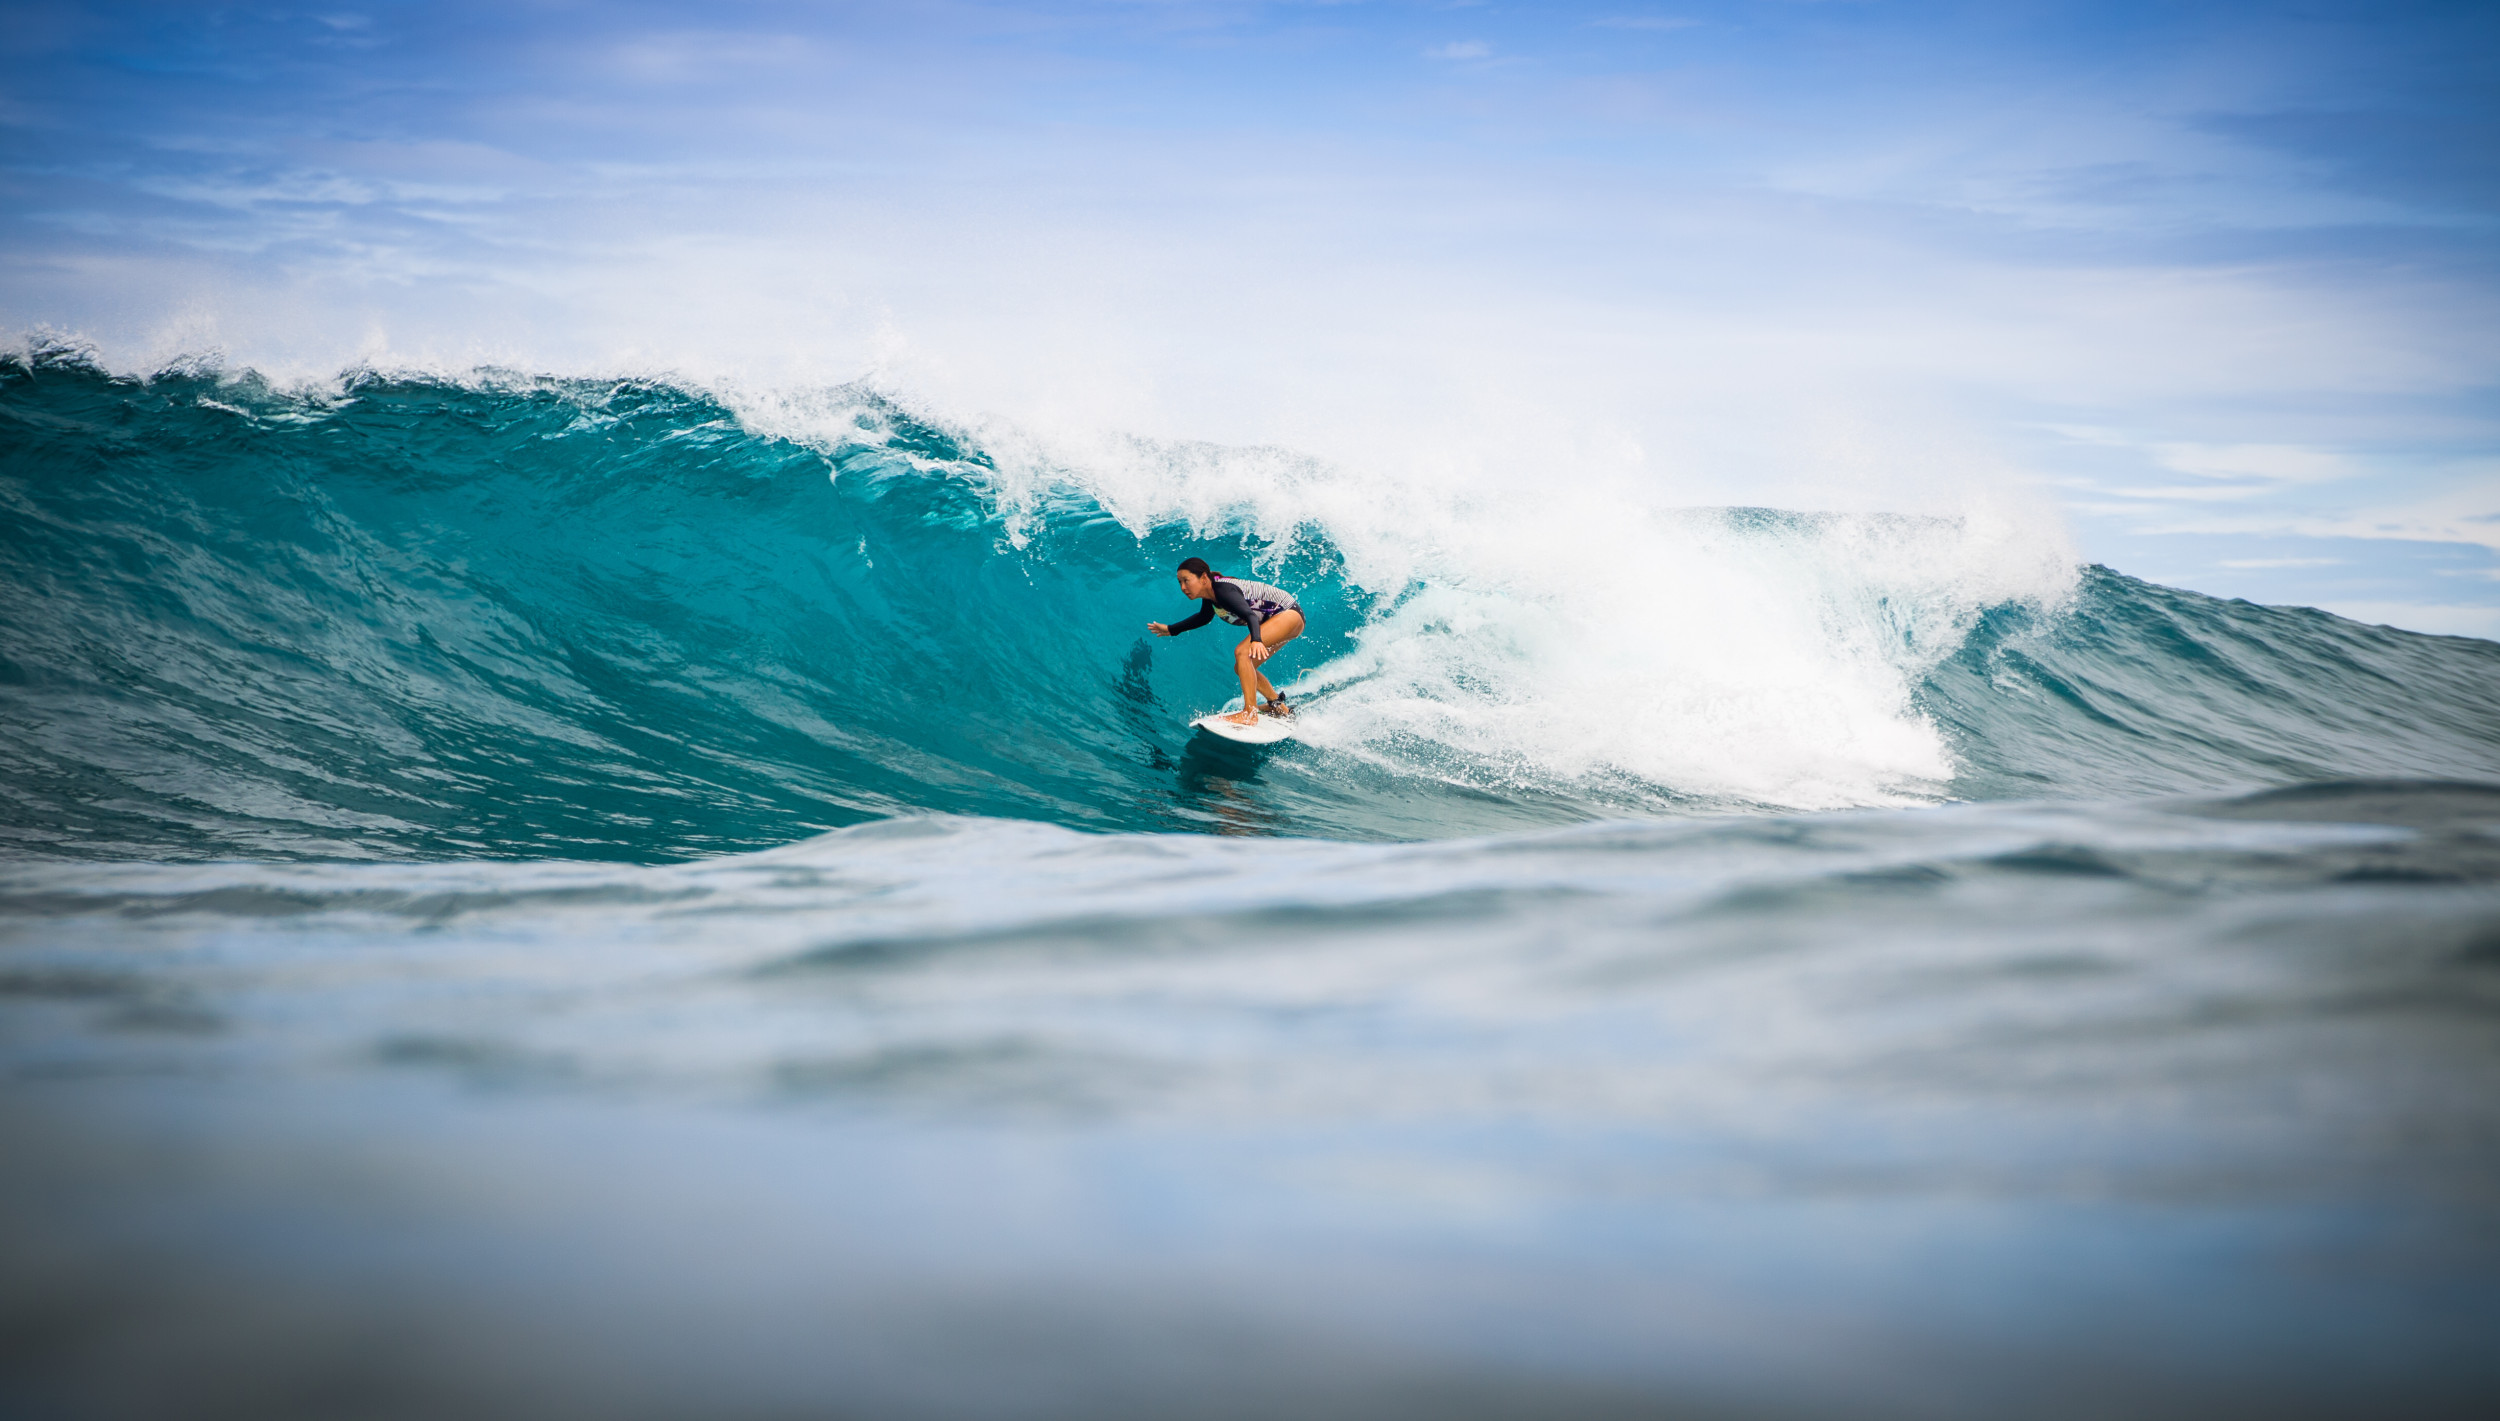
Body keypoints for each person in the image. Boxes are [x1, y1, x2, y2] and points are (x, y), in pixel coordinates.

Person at [1148, 557, 1305, 725]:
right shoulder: (1211, 596)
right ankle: (1278, 707)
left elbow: (1249, 615)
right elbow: (1203, 618)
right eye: (1180, 582)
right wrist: (1171, 629)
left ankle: (1249, 714)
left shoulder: (1224, 590)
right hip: (1286, 618)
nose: (1183, 587)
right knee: (1242, 667)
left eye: (1186, 581)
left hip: (1288, 614)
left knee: (1242, 652)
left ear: (1203, 578)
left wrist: (1256, 640)